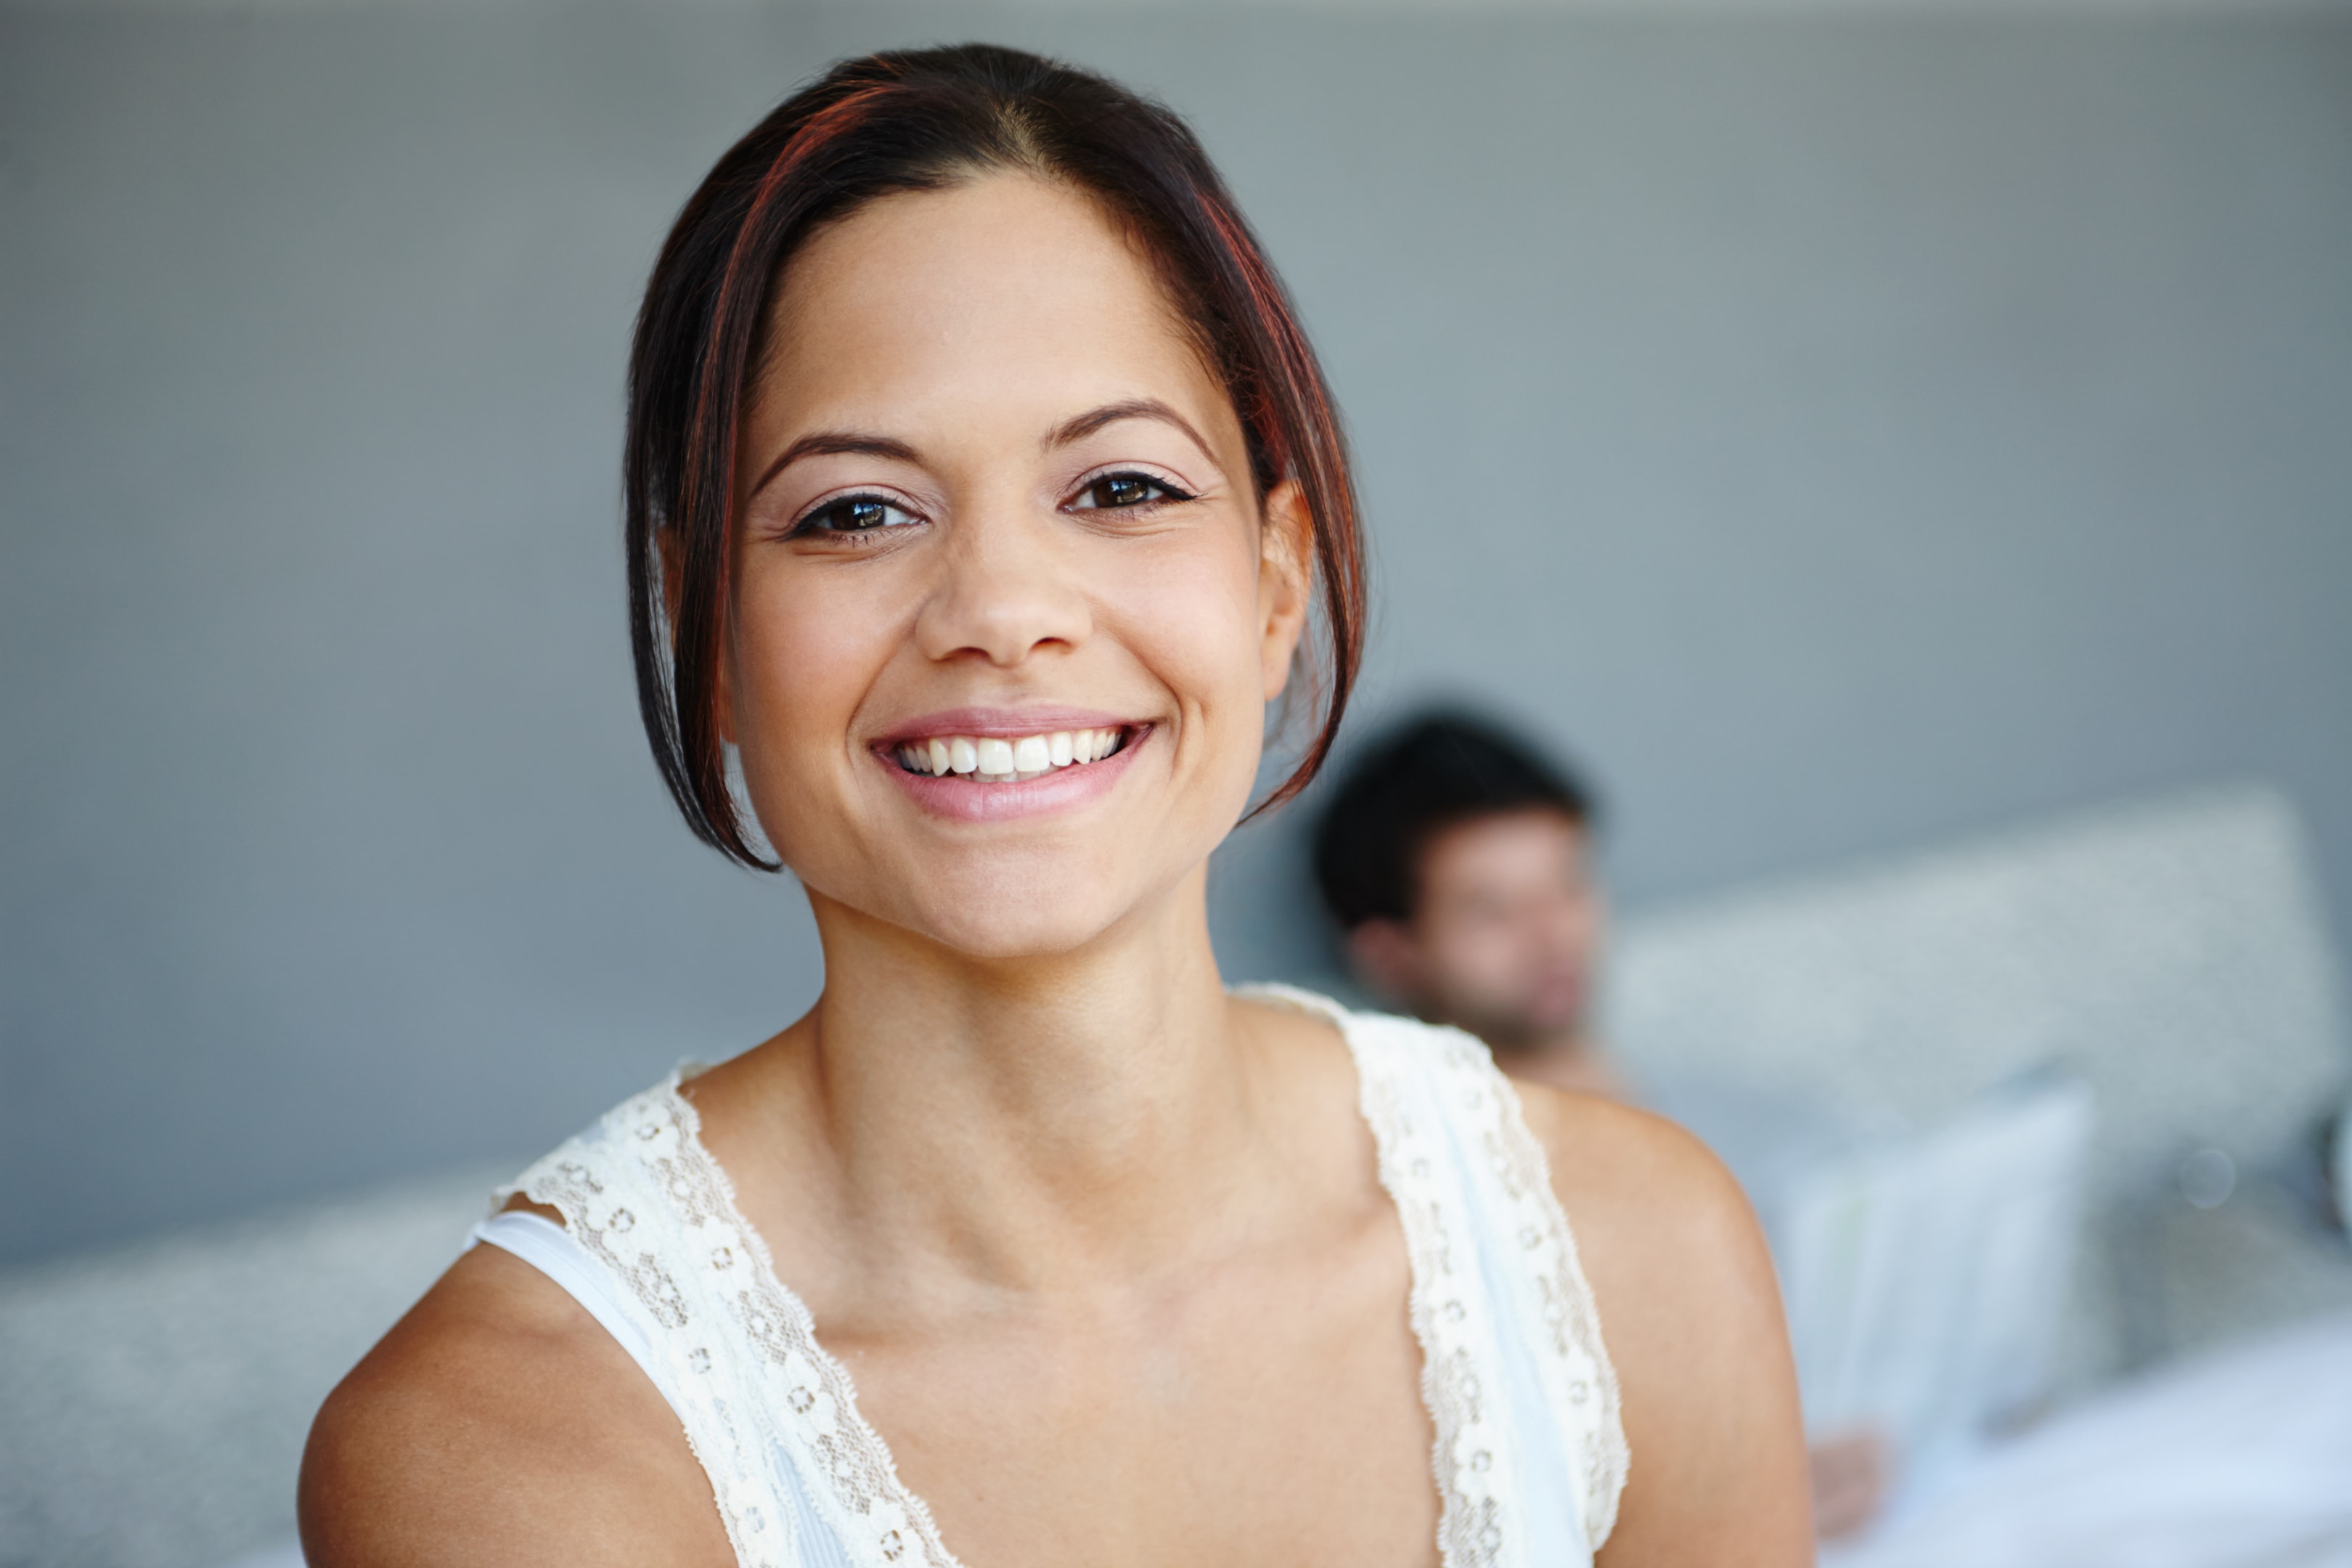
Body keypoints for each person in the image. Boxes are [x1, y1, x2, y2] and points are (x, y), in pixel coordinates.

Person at [298, 46, 1810, 1567]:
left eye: (1122, 487)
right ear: (707, 638)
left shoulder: (1636, 1259)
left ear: (1275, 584)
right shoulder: (509, 1455)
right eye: (855, 512)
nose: (1004, 611)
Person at [1312, 709, 1889, 1540]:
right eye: (1492, 911)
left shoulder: (1772, 1124)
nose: (1552, 937)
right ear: (1391, 955)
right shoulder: (1423, 1223)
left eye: (1567, 885)